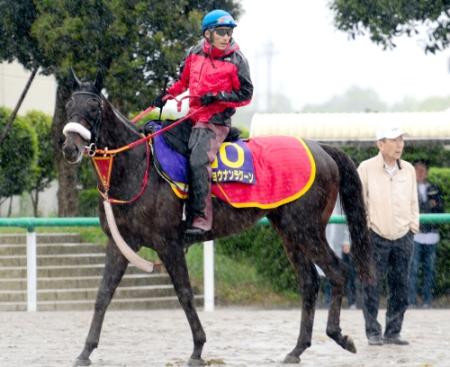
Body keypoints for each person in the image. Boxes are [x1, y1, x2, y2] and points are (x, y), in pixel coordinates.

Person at [152, 9, 253, 236]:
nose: (227, 37)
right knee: (158, 136)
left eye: (229, 32)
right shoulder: (194, 52)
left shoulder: (238, 60)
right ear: (208, 34)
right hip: (193, 117)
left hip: (215, 121)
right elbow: (183, 82)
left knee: (198, 161)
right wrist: (166, 95)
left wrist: (218, 97)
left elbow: (246, 95)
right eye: (221, 32)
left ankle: (201, 218)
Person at [358, 127, 419, 346]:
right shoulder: (365, 168)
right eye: (394, 140)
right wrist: (365, 230)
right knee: (371, 285)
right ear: (380, 144)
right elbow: (359, 202)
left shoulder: (409, 169)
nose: (400, 144)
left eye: (401, 139)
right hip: (375, 234)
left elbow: (413, 201)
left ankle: (393, 332)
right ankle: (373, 332)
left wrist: (413, 225)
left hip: (404, 235)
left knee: (400, 286)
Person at [408, 160, 444, 308]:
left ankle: (427, 300)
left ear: (427, 173)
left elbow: (440, 207)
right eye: (417, 170)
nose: (420, 173)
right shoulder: (408, 189)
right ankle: (411, 300)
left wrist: (434, 206)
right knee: (413, 270)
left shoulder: (434, 188)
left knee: (430, 270)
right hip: (415, 235)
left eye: (422, 170)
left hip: (431, 235)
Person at [320, 196, 357, 309]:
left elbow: (348, 217)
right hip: (328, 239)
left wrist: (347, 239)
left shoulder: (343, 194)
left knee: (349, 271)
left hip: (342, 241)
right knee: (328, 269)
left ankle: (352, 301)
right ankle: (329, 298)